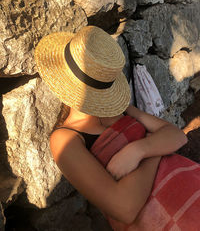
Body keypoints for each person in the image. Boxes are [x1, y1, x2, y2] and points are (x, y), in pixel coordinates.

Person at [34, 26, 187, 225]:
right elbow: (125, 208)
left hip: (188, 185)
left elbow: (177, 136)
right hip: (167, 216)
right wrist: (155, 148)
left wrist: (139, 150)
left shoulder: (119, 110)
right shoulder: (66, 139)